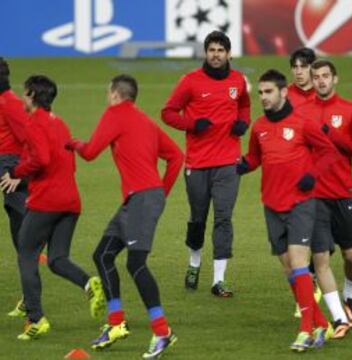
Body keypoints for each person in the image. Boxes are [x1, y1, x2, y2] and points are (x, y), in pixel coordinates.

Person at [66, 74, 183, 359]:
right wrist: (160, 192)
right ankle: (116, 323)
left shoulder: (115, 113)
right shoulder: (145, 121)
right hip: (138, 198)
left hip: (141, 198)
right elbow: (177, 155)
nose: (108, 98)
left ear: (116, 94)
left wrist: (74, 144)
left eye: (109, 93)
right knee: (103, 255)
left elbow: (91, 152)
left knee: (136, 264)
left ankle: (162, 331)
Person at [237, 69, 338, 351]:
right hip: (271, 204)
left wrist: (313, 175)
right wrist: (243, 166)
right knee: (289, 269)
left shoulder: (303, 123)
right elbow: (256, 157)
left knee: (297, 262)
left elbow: (329, 152)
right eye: (260, 93)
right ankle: (322, 324)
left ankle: (306, 330)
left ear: (283, 92)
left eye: (268, 92)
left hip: (300, 204)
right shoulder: (258, 127)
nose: (263, 97)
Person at [0, 75, 105, 340]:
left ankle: (36, 319)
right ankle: (87, 282)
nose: (22, 98)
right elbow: (66, 159)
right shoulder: (59, 123)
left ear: (33, 95)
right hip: (71, 200)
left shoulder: (34, 123)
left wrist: (16, 171)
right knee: (57, 259)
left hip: (47, 200)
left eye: (25, 94)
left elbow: (41, 158)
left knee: (26, 253)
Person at [161, 31, 251, 297]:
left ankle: (219, 280)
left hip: (228, 162)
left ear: (229, 54)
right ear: (205, 53)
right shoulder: (190, 82)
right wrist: (191, 124)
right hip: (198, 163)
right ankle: (194, 263)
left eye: (220, 50)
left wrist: (243, 122)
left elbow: (244, 104)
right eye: (211, 50)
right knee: (198, 219)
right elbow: (167, 113)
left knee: (223, 218)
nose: (216, 54)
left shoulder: (238, 80)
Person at [299, 59, 352, 330]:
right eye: (317, 76)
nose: (321, 80)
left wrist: (334, 136)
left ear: (334, 79)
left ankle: (350, 293)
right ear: (312, 80)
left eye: (325, 76)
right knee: (320, 256)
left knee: (350, 255)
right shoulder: (302, 112)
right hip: (314, 196)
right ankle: (337, 317)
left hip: (343, 193)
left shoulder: (351, 110)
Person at [287, 47, 322, 317]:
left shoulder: (322, 96)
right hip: (293, 175)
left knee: (320, 234)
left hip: (321, 174)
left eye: (303, 66)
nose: (299, 71)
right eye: (295, 66)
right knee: (296, 236)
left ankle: (313, 279)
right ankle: (308, 285)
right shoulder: (285, 95)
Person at [0, 57, 34, 318]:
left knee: (23, 239)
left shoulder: (10, 103)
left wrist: (19, 176)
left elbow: (29, 141)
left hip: (12, 168)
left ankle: (31, 302)